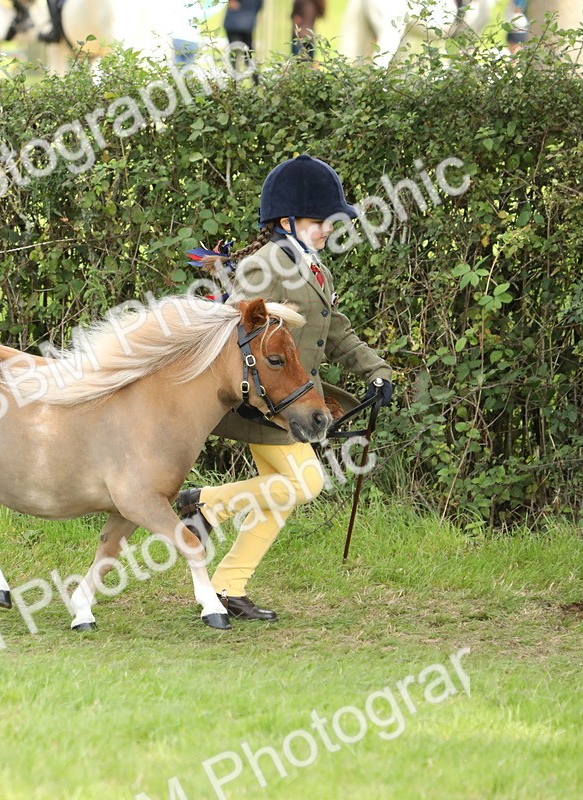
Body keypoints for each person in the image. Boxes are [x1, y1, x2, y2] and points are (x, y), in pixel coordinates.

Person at [177, 154, 394, 622]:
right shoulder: (264, 265)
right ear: (288, 219)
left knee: (283, 493)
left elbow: (335, 329)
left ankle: (229, 585)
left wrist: (376, 372)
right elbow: (233, 328)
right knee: (308, 483)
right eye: (321, 221)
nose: (328, 230)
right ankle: (204, 504)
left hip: (296, 400)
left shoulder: (315, 267)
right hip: (266, 404)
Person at [223, 0, 261, 69]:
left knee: (236, 53)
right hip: (241, 24)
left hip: (237, 24)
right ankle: (254, 76)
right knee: (247, 53)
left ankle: (234, 76)